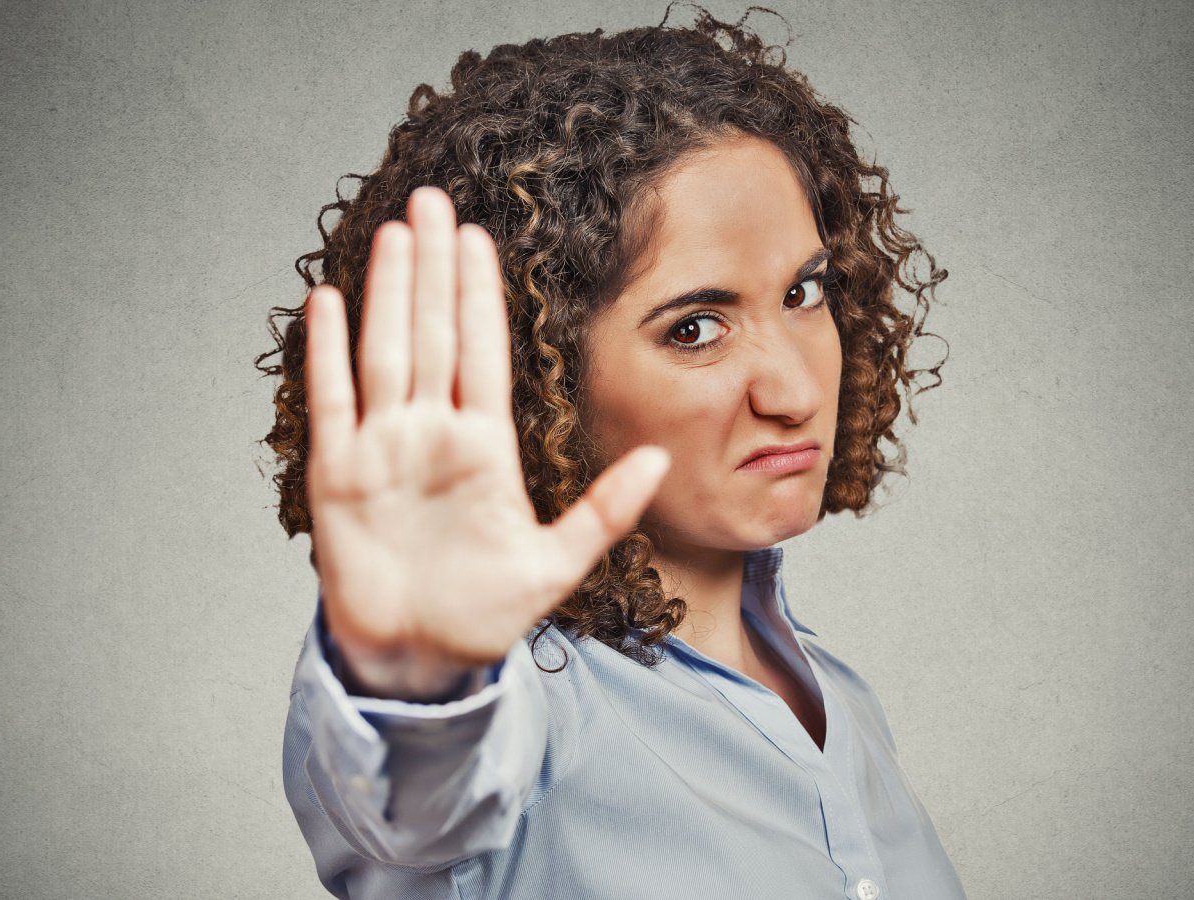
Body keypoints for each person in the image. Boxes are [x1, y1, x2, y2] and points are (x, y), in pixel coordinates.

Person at [255, 7, 961, 898]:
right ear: (536, 375)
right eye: (696, 328)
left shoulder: (837, 693)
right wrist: (416, 677)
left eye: (803, 291)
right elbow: (407, 802)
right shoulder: (526, 710)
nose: (793, 390)